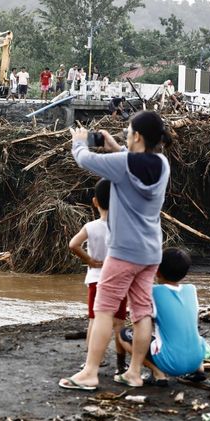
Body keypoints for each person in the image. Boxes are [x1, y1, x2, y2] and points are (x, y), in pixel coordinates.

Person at [60, 110, 172, 391]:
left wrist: (79, 140)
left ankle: (89, 373)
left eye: (127, 131)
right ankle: (134, 373)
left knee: (103, 311)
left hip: (123, 252)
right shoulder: (162, 163)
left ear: (137, 136)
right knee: (142, 311)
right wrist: (118, 147)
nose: (125, 134)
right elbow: (137, 163)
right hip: (151, 252)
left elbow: (84, 159)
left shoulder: (122, 164)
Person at [65, 178, 128, 382]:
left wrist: (90, 260)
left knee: (94, 320)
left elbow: (73, 244)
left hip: (95, 279)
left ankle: (91, 362)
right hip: (119, 279)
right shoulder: (123, 226)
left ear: (94, 201)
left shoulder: (91, 227)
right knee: (118, 323)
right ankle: (120, 366)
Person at [117, 248, 210, 385]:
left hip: (171, 364)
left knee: (124, 334)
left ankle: (158, 373)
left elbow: (144, 317)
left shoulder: (153, 292)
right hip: (197, 357)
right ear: (184, 274)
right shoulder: (191, 290)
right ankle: (199, 370)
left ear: (157, 270)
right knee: (190, 332)